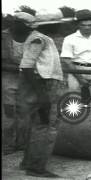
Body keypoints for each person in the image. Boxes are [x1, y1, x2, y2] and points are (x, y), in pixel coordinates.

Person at [16, 9, 73, 177]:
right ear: (51, 25)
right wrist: (42, 95)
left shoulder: (43, 38)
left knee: (39, 125)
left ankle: (29, 162)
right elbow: (26, 66)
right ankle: (35, 167)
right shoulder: (39, 39)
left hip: (44, 84)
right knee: (46, 126)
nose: (60, 28)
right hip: (44, 85)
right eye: (58, 24)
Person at [1, 12, 34, 154]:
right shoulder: (3, 37)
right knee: (9, 113)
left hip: (27, 79)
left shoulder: (33, 37)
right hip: (8, 78)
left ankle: (22, 144)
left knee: (25, 113)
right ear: (16, 23)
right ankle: (8, 145)